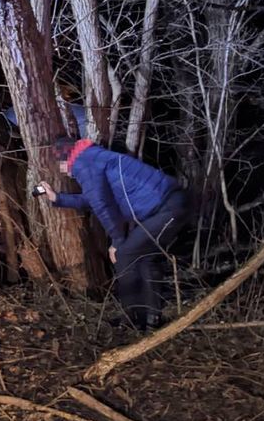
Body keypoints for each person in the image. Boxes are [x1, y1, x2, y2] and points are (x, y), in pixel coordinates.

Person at [38, 137, 189, 330]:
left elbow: (101, 205)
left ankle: (133, 319)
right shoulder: (92, 158)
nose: (61, 170)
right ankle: (150, 320)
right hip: (169, 204)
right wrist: (58, 198)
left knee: (124, 254)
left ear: (66, 158)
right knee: (145, 258)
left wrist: (117, 241)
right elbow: (94, 198)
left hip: (165, 207)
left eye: (59, 164)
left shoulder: (84, 164)